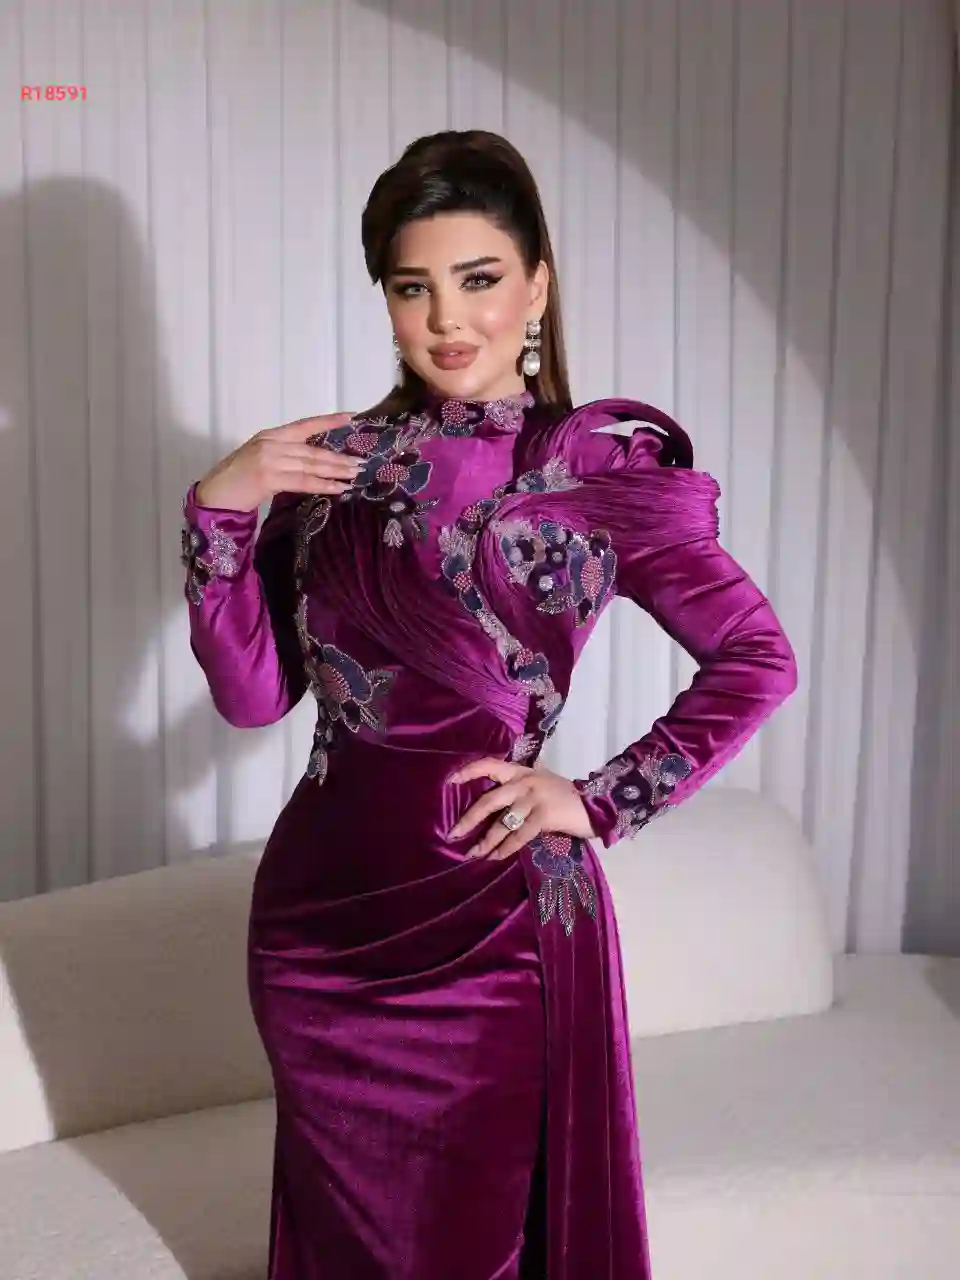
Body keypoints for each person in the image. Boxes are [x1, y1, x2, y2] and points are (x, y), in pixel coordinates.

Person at [181, 129, 797, 1280]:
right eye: (412, 286)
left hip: (491, 931)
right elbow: (255, 696)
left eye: (478, 278)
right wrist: (220, 509)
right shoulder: (329, 468)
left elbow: (757, 658)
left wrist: (597, 800)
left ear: (537, 287)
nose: (447, 318)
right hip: (317, 935)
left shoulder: (592, 470)